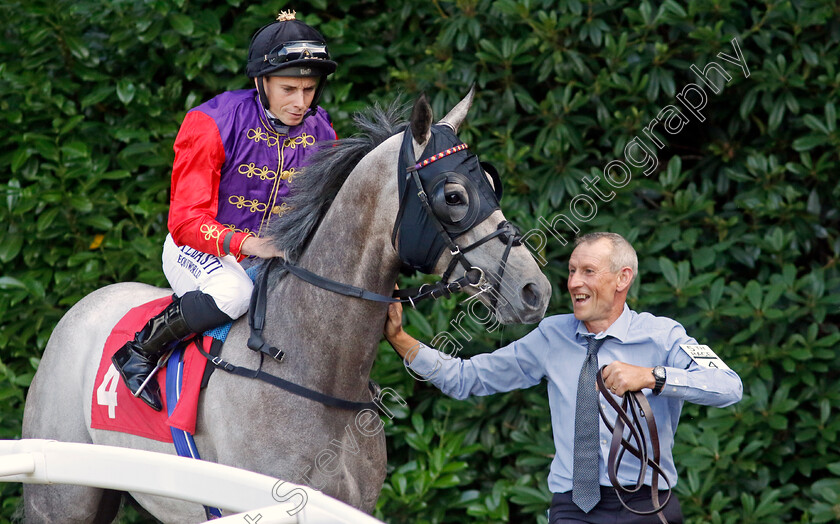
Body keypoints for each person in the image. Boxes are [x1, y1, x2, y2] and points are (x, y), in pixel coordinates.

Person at [383, 232, 742, 523]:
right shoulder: (550, 336)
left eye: (588, 271)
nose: (573, 283)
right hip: (573, 507)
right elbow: (468, 377)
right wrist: (402, 340)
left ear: (622, 278)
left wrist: (652, 376)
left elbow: (729, 385)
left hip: (648, 505)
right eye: (571, 271)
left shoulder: (663, 336)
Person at [113, 10, 338, 411]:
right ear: (261, 81)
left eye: (309, 89)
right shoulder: (211, 121)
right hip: (200, 247)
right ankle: (140, 350)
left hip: (272, 252)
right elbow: (184, 221)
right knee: (235, 293)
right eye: (288, 89)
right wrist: (251, 244)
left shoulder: (323, 132)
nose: (300, 102)